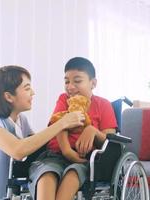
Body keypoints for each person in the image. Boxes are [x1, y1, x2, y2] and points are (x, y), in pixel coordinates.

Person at [0, 66, 85, 200]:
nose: (33, 93)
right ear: (9, 96)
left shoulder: (20, 120)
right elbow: (18, 150)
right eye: (27, 88)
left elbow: (36, 146)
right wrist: (62, 123)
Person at [29, 57, 117, 200]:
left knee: (73, 174)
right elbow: (58, 124)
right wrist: (67, 150)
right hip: (55, 154)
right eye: (66, 81)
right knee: (47, 174)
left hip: (84, 160)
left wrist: (92, 131)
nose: (70, 87)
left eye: (77, 81)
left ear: (93, 83)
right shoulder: (64, 99)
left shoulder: (104, 105)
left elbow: (110, 142)